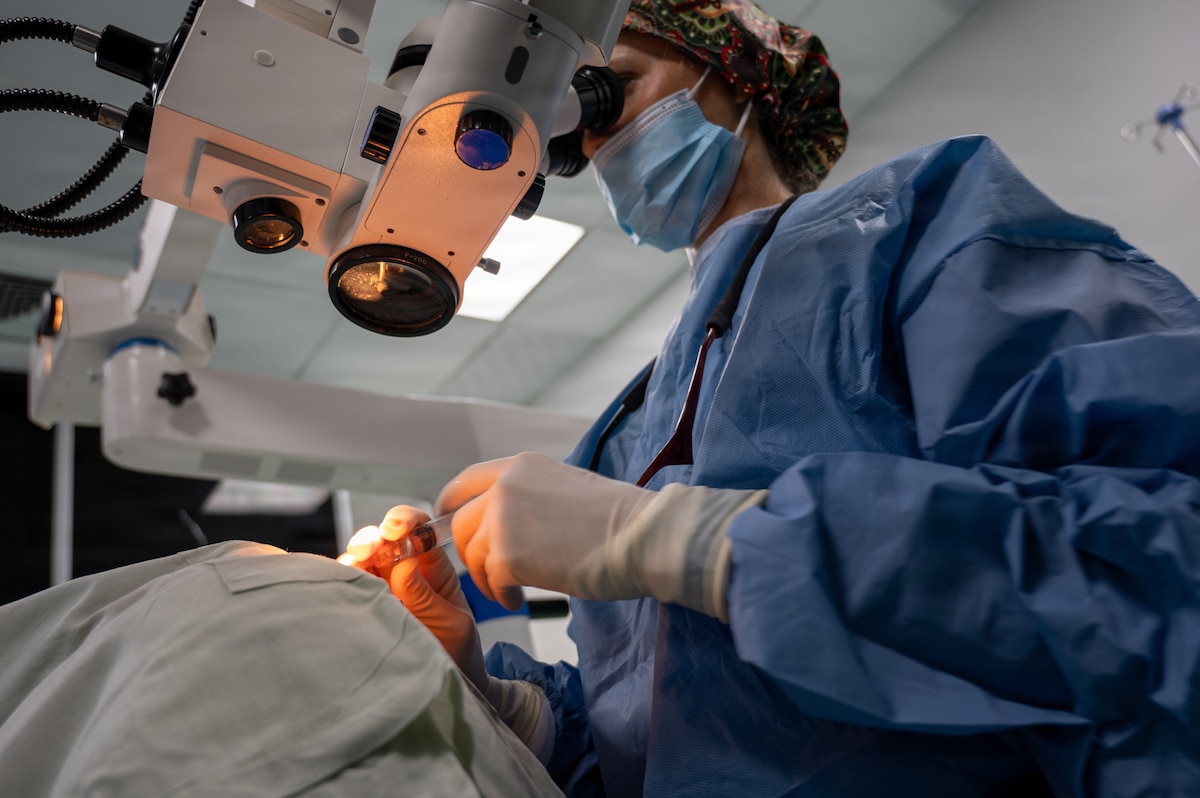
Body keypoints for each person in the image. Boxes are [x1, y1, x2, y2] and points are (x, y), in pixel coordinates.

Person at [340, 0, 1200, 796]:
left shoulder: (918, 231)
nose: (596, 142)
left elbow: (1154, 569)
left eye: (609, 92)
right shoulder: (628, 430)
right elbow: (662, 736)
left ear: (736, 80)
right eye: (577, 131)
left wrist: (704, 544)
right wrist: (495, 698)